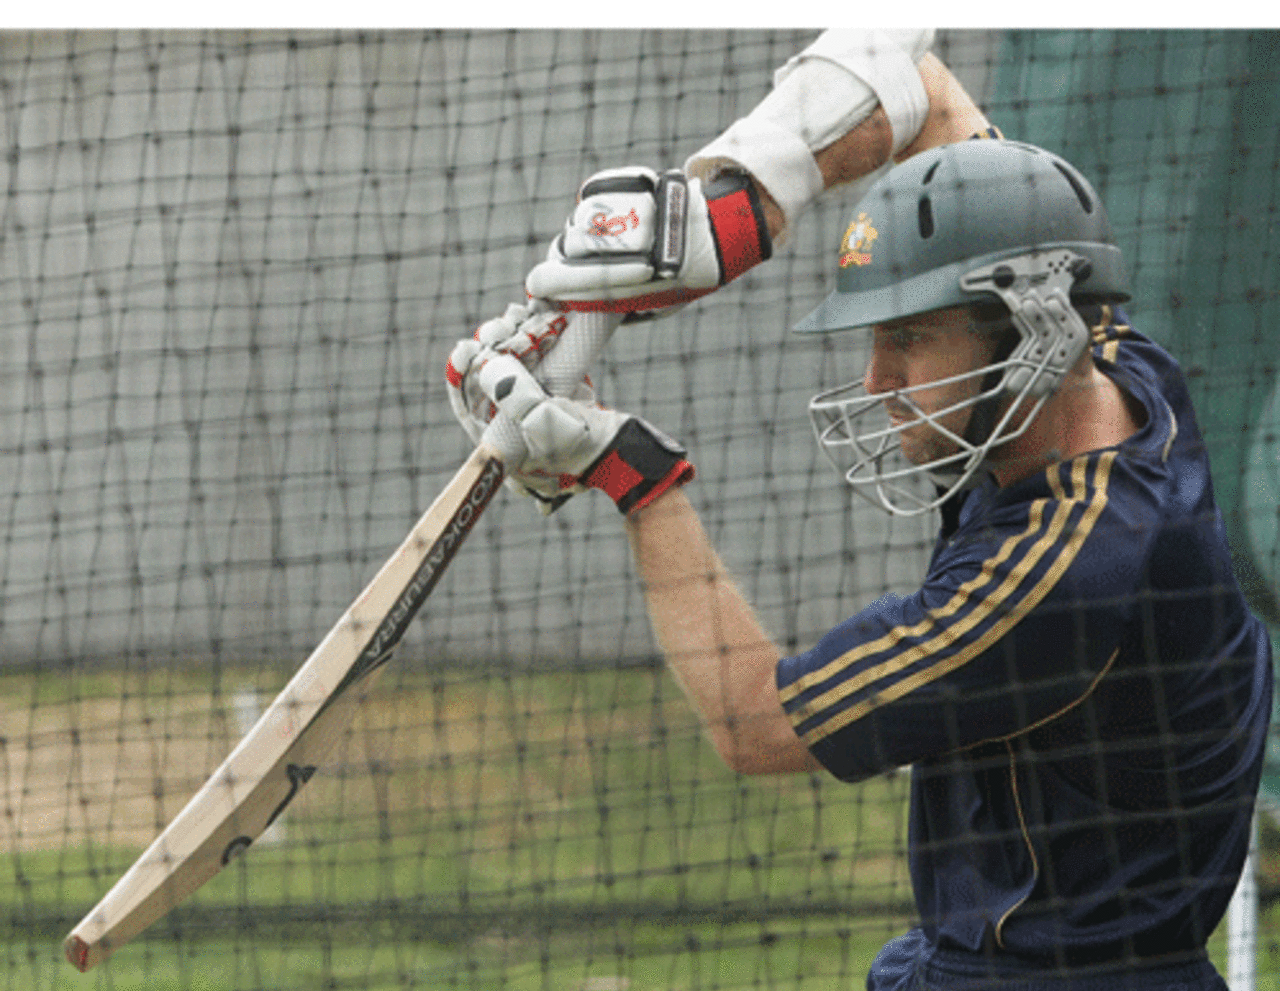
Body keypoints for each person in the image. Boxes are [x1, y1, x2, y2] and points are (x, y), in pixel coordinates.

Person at [445, 31, 1273, 991]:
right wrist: (728, 216)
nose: (877, 382)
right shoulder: (1116, 370)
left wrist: (633, 476)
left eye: (909, 340)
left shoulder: (1060, 574)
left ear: (1033, 331)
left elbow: (754, 722)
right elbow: (908, 79)